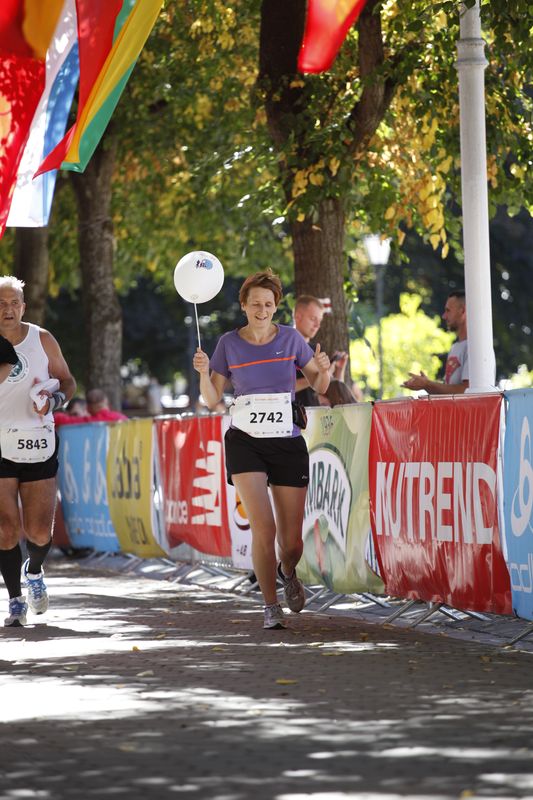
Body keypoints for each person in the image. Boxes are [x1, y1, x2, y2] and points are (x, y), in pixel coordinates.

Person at [193, 269, 330, 629]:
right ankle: (270, 605)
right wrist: (204, 374)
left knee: (291, 542)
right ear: (244, 305)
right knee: (263, 529)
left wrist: (325, 370)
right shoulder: (228, 343)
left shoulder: (291, 338)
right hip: (246, 443)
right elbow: (212, 399)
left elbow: (319, 382)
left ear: (276, 306)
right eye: (255, 304)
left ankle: (289, 571)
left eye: (268, 304)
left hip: (286, 442)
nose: (262, 310)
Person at [0, 276, 76, 627]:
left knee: (39, 531)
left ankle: (34, 571)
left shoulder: (41, 339)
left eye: (14, 303)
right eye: (1, 304)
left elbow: (68, 381)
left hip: (37, 441)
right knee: (5, 529)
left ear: (24, 307)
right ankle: (15, 599)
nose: (8, 309)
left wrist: (54, 400)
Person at [402, 290, 473, 395]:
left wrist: (428, 384)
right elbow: (448, 391)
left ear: (462, 311)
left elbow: (468, 391)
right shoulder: (455, 347)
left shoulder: (474, 348)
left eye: (448, 311)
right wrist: (426, 385)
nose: (444, 316)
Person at [293, 295, 348, 406]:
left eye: (320, 321)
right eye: (313, 319)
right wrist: (317, 377)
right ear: (298, 317)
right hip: (292, 412)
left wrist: (338, 371)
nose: (317, 325)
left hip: (315, 412)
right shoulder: (286, 347)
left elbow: (334, 393)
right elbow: (279, 388)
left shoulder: (317, 350)